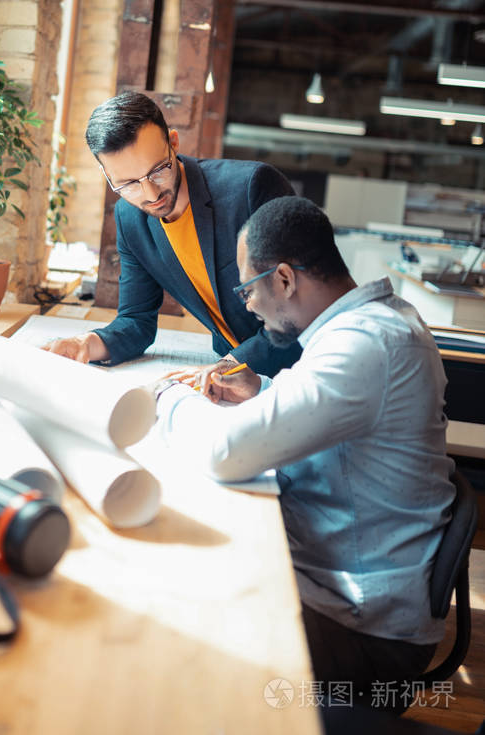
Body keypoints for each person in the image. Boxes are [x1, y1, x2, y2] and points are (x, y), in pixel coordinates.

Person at [155, 196, 454, 697]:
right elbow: (347, 420)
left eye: (249, 288)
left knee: (174, 633)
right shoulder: (374, 324)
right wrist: (265, 393)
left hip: (365, 630)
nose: (248, 305)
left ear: (285, 279)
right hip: (346, 586)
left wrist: (166, 398)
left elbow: (223, 453)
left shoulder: (365, 344)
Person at [45, 92, 300, 377]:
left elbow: (298, 312)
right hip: (236, 371)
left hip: (302, 366)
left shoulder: (251, 188)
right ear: (106, 175)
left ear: (173, 143)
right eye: (128, 184)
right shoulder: (130, 219)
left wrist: (227, 367)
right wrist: (87, 343)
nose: (150, 194)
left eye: (157, 171)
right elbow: (135, 320)